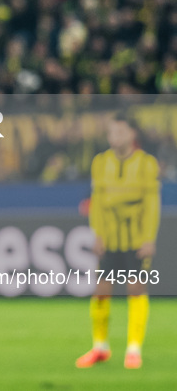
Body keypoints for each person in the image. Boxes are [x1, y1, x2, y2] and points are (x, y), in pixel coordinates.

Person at [76, 112, 161, 369]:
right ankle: (100, 347)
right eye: (112, 132)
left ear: (132, 134)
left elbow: (152, 204)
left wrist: (148, 238)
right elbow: (98, 203)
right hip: (109, 239)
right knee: (101, 290)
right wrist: (97, 234)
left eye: (121, 132)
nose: (115, 137)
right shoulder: (100, 162)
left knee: (135, 288)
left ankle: (134, 349)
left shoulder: (147, 163)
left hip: (135, 239)